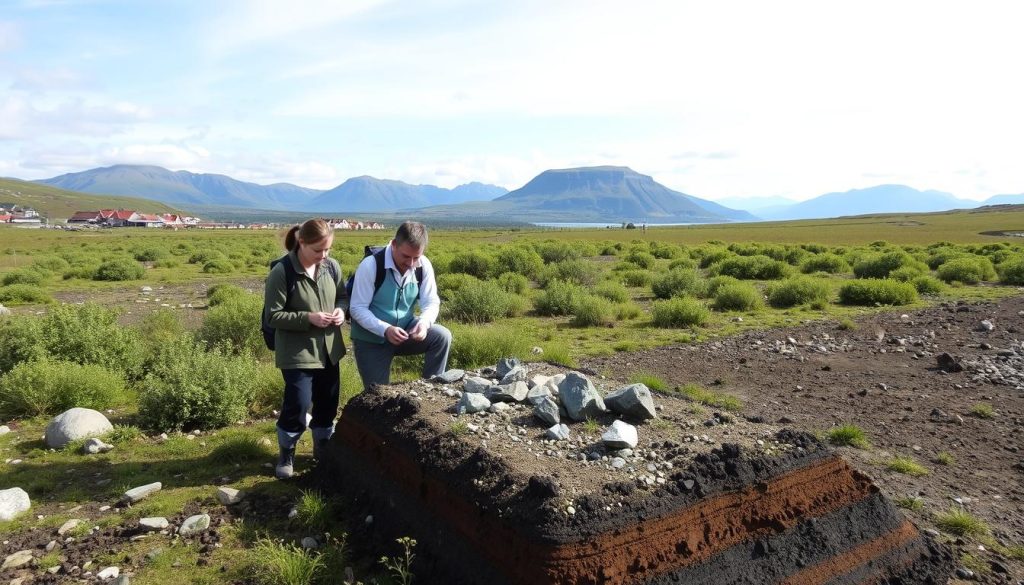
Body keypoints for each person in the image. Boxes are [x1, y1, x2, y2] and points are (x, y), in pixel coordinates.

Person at [264, 219, 346, 479]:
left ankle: (322, 447)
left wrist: (341, 312)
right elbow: (273, 316)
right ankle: (286, 453)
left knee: (327, 403)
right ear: (302, 242)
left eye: (327, 250)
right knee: (297, 405)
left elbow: (343, 296)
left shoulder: (331, 267)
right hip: (297, 353)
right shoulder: (282, 271)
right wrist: (307, 318)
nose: (324, 256)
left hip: (329, 350)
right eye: (318, 251)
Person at [350, 220, 451, 390]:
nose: (411, 264)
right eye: (406, 256)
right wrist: (385, 329)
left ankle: (431, 391)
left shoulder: (423, 265)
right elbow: (357, 308)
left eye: (416, 257)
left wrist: (424, 324)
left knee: (441, 336)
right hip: (371, 340)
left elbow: (431, 301)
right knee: (378, 396)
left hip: (405, 332)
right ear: (394, 244)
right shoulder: (371, 265)